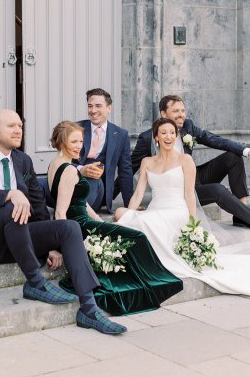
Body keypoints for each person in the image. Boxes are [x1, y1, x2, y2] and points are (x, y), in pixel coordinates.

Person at [0, 109, 127, 335]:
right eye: (11, 126)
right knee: (13, 205)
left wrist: (51, 244)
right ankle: (35, 283)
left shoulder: (22, 160)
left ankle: (88, 309)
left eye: (20, 125)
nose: (18, 130)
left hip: (16, 237)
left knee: (69, 227)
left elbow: (38, 205)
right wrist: (10, 194)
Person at [115, 118, 250, 297]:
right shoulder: (147, 162)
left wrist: (193, 223)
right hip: (156, 207)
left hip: (176, 209)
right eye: (163, 133)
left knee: (146, 221)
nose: (168, 136)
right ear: (156, 137)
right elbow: (139, 193)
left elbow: (189, 194)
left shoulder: (184, 160)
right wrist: (131, 214)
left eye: (172, 133)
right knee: (122, 214)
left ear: (177, 136)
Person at [47, 121, 183, 315]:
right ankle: (155, 282)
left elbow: (79, 202)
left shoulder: (56, 164)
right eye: (74, 141)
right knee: (137, 237)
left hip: (83, 222)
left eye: (80, 141)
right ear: (61, 142)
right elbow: (60, 212)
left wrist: (101, 222)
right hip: (80, 227)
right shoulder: (69, 170)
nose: (79, 146)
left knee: (126, 235)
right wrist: (59, 246)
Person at [129, 94, 250, 233]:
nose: (181, 115)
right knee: (217, 190)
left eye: (183, 110)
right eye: (176, 111)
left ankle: (242, 215)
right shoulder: (147, 138)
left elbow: (215, 140)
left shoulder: (188, 127)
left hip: (196, 176)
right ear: (163, 114)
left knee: (232, 157)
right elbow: (130, 168)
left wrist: (248, 151)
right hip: (179, 192)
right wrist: (106, 200)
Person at [74, 88, 133, 212]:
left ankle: (77, 213)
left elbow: (125, 171)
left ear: (109, 108)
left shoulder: (121, 135)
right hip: (72, 181)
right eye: (90, 106)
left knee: (93, 181)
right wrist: (81, 169)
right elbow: (63, 159)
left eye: (98, 106)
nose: (93, 110)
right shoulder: (76, 128)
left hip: (98, 189)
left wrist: (130, 205)